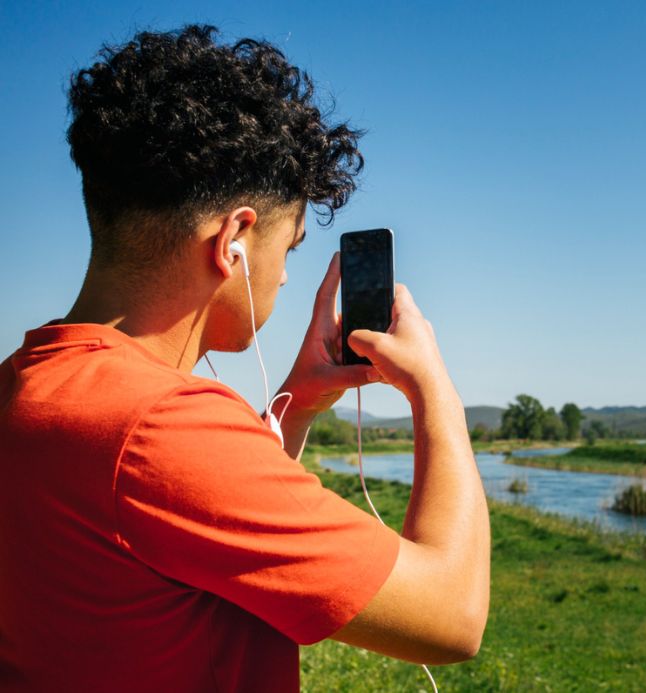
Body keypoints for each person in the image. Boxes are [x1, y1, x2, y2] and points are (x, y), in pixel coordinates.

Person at [0, 24, 489, 692]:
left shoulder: (27, 385)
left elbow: (186, 526)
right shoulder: (160, 428)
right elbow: (451, 614)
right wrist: (437, 391)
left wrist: (301, 393)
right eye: (285, 252)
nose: (285, 280)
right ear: (232, 241)